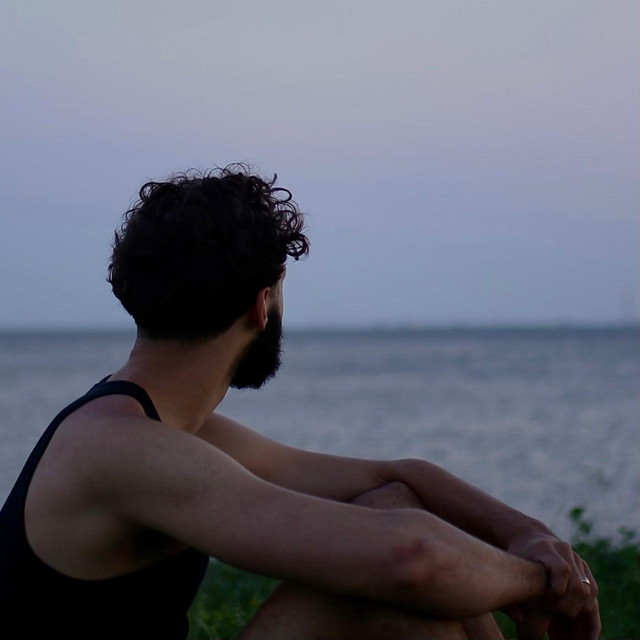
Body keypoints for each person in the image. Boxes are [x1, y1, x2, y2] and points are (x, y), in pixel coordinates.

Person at [0, 165, 600, 640]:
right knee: (389, 589)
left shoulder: (163, 429)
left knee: (389, 509)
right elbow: (413, 559)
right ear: (261, 305)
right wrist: (538, 581)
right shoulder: (120, 449)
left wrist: (532, 537)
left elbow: (394, 479)